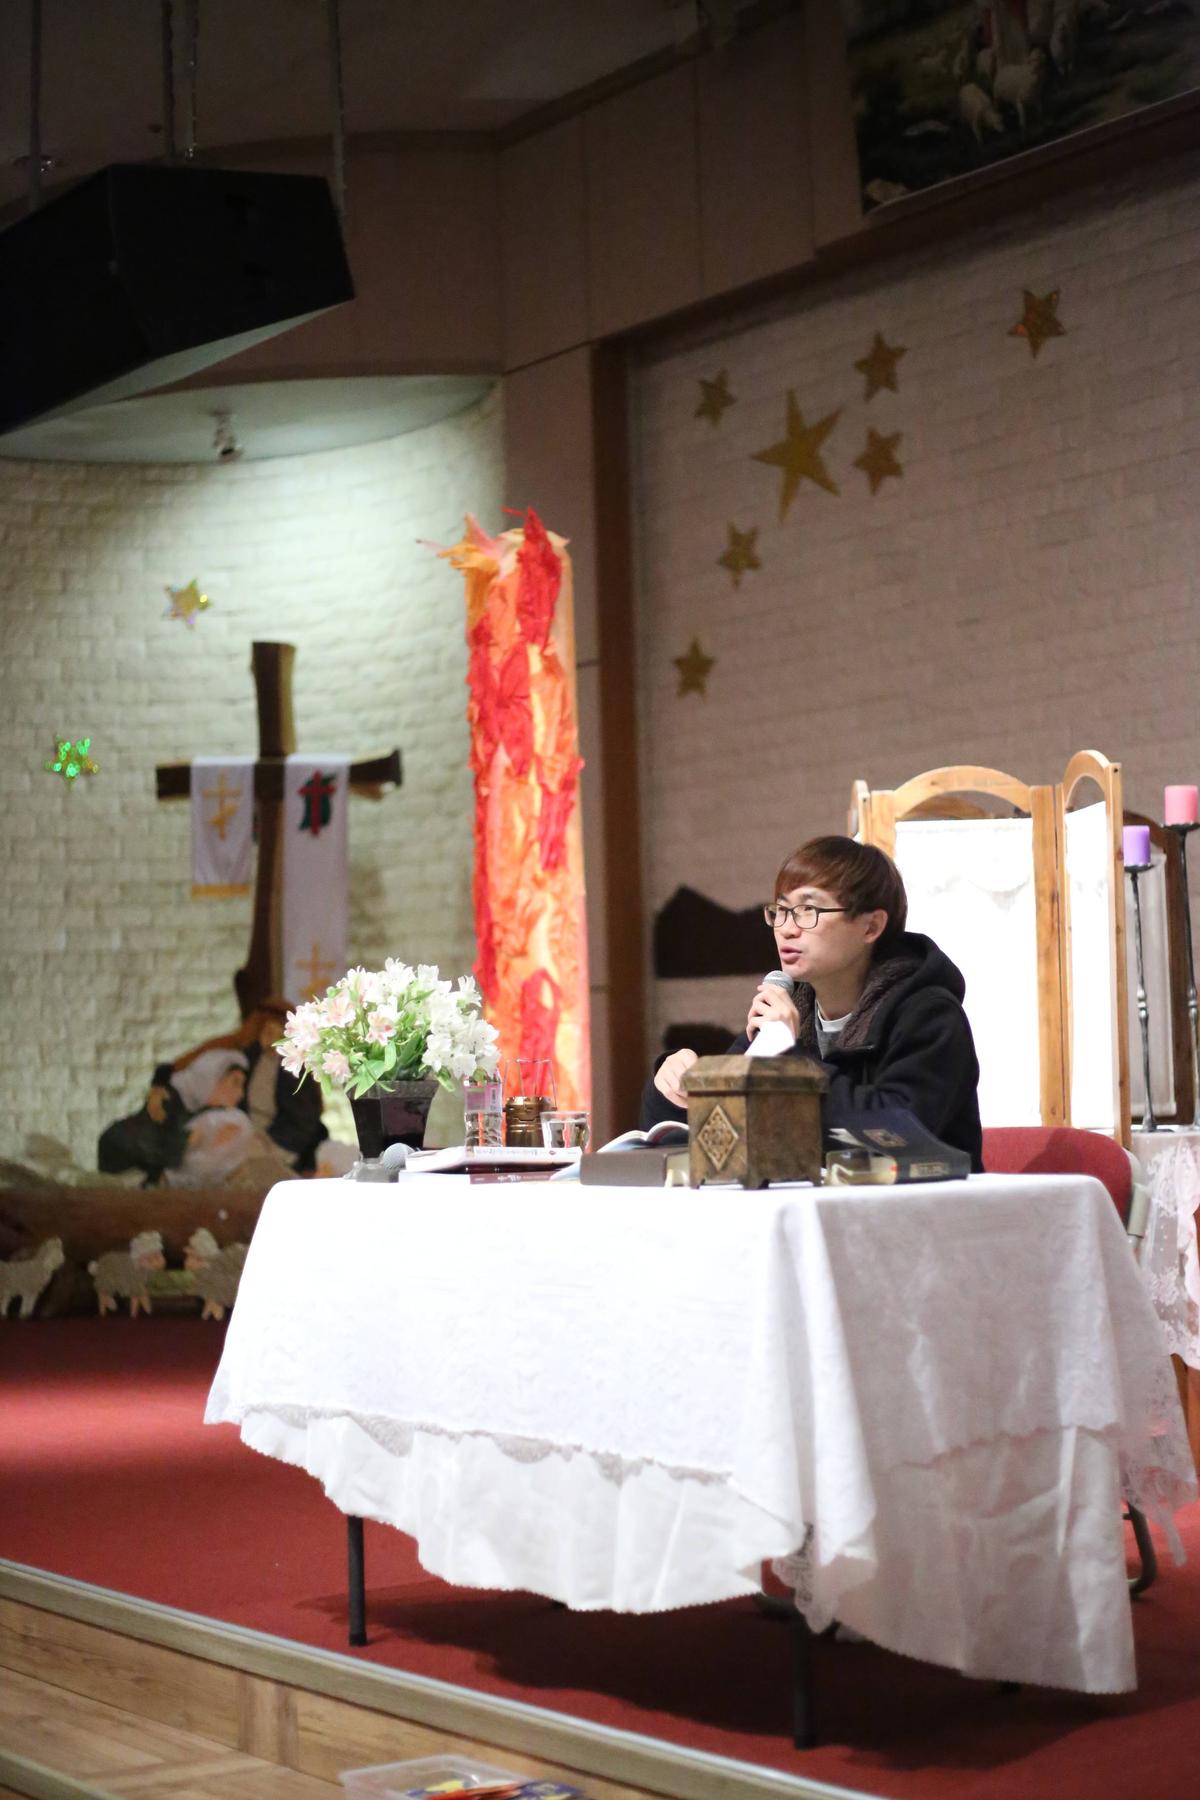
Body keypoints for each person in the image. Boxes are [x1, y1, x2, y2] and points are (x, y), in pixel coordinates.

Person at [643, 835, 983, 1171]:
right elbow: (708, 1131)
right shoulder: (791, 1011)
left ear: (871, 927)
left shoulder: (928, 1014)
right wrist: (673, 1089)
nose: (786, 929)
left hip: (918, 1202)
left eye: (808, 910)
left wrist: (787, 1064)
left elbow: (898, 1133)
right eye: (781, 910)